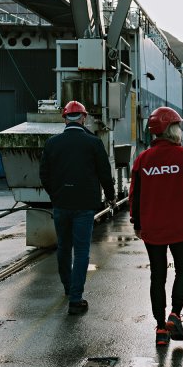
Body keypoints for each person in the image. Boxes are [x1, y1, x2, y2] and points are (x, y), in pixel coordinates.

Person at [129, 106, 183, 346]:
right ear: (170, 129)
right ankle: (175, 314)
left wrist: (137, 222)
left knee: (158, 275)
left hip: (153, 228)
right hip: (181, 227)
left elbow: (136, 195)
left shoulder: (143, 160)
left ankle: (160, 329)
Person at [39, 100, 115, 314]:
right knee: (81, 251)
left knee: (64, 247)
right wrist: (110, 197)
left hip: (61, 204)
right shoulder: (93, 142)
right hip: (84, 205)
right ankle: (76, 297)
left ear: (64, 118)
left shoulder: (52, 143)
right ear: (83, 118)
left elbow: (44, 175)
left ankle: (67, 287)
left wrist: (56, 194)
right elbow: (105, 174)